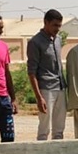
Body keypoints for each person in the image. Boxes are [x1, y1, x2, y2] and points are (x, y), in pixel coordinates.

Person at [27, 9, 67, 141]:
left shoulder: (58, 39)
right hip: (46, 89)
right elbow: (32, 72)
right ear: (46, 22)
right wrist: (39, 97)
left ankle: (58, 152)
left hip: (60, 87)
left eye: (59, 26)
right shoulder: (35, 42)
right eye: (55, 25)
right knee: (44, 128)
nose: (57, 29)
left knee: (59, 128)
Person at [0, 15, 17, 142]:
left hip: (4, 99)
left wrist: (13, 98)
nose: (0, 31)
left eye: (1, 28)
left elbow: (7, 73)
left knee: (9, 138)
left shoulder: (4, 46)